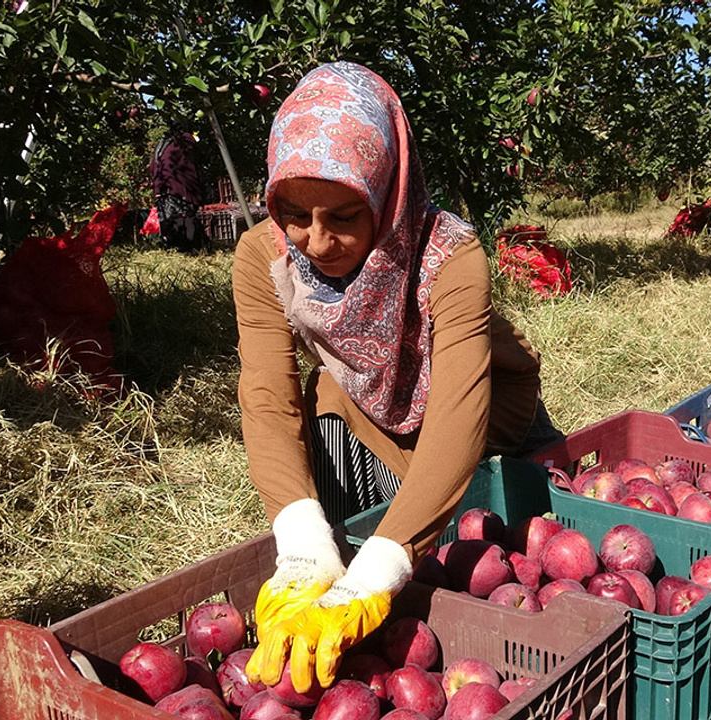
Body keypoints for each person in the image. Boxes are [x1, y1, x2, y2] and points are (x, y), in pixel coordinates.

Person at [232, 61, 561, 694]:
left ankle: (387, 548)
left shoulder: (450, 255)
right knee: (326, 418)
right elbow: (269, 398)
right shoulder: (264, 258)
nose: (317, 241)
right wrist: (300, 537)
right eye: (294, 212)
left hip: (486, 416)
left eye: (345, 216)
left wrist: (379, 567)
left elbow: (459, 417)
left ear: (387, 192)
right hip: (363, 403)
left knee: (469, 543)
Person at [149, 125, 204, 250]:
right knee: (182, 223)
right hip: (178, 190)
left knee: (169, 224)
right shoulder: (184, 142)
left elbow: (153, 167)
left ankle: (172, 247)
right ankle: (186, 249)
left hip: (162, 191)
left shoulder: (162, 145)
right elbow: (191, 168)